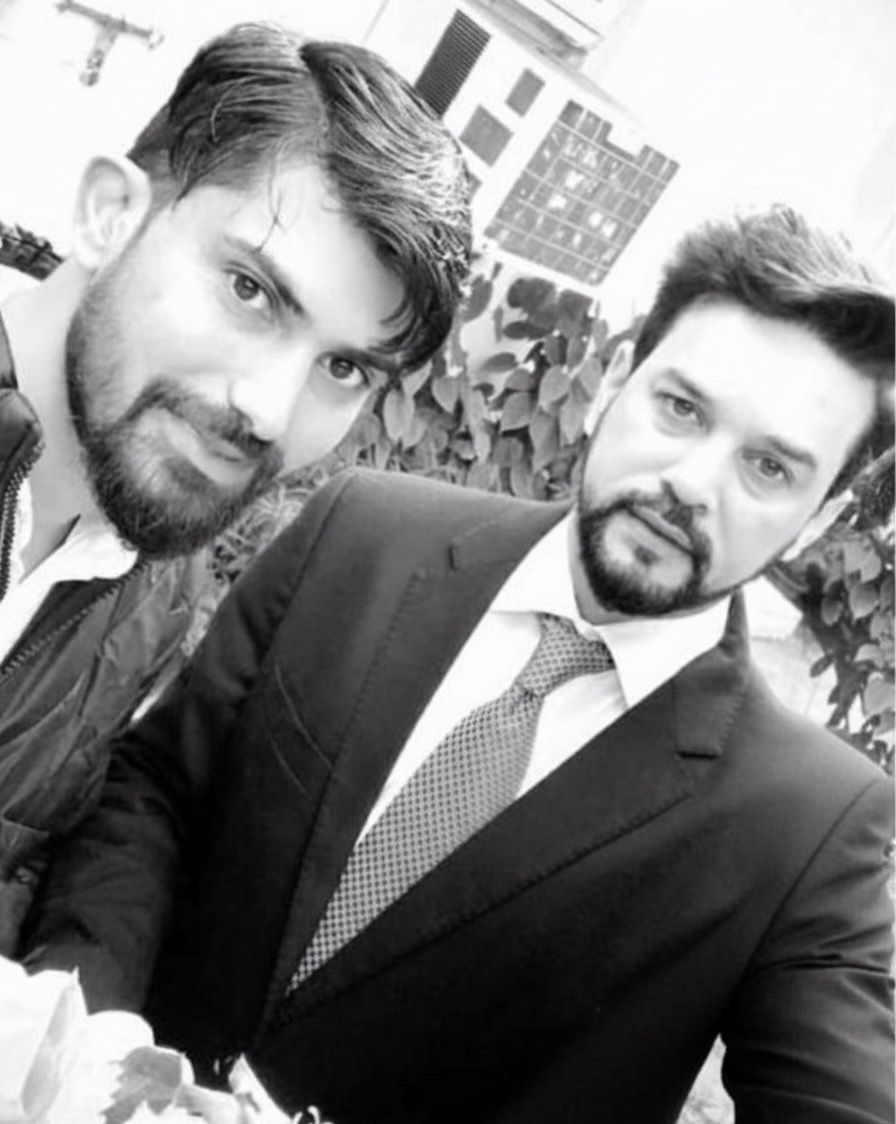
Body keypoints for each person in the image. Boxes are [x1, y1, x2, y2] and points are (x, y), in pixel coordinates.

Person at [25, 207, 894, 1123]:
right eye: (680, 408)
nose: (693, 482)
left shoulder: (811, 826)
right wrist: (97, 1039)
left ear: (821, 520)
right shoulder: (361, 532)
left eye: (770, 468)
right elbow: (158, 789)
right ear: (614, 384)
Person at [0, 22, 472, 952]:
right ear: (109, 215)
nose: (267, 409)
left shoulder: (155, 588)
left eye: (343, 368)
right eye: (250, 291)